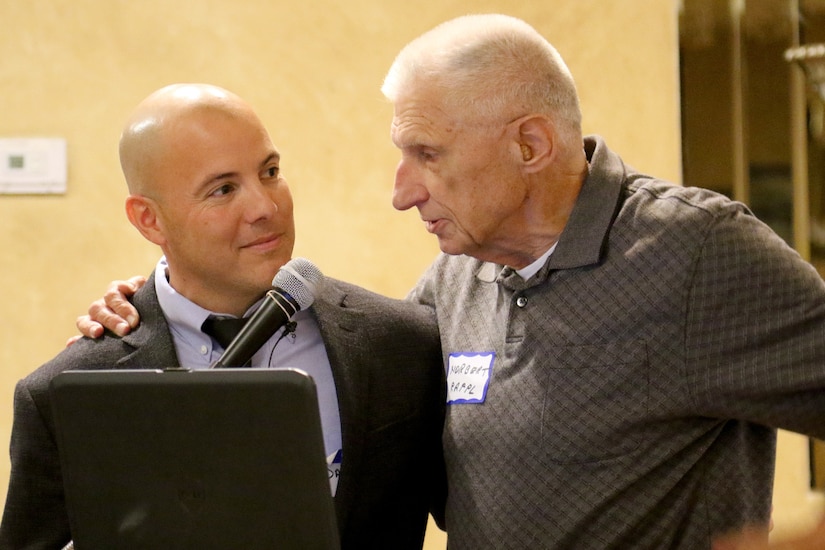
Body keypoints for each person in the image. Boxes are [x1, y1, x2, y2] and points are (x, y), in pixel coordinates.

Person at [74, 14, 825, 549]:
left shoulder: (693, 253)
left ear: (529, 144)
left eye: (426, 154)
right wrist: (154, 306)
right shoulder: (456, 276)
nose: (402, 191)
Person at [0, 83, 446, 550]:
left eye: (270, 171)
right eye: (223, 189)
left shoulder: (404, 345)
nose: (266, 207)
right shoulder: (64, 395)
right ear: (149, 220)